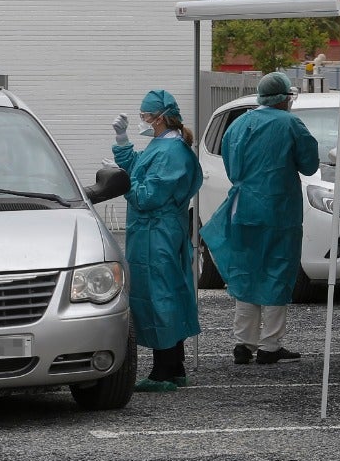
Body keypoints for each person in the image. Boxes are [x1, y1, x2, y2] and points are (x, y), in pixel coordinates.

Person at [200, 71, 320, 364]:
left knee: (246, 273)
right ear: (283, 99)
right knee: (278, 273)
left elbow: (231, 168)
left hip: (243, 208)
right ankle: (270, 346)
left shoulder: (238, 124)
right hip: (279, 210)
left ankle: (243, 343)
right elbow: (309, 164)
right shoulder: (291, 124)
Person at [112, 89, 202, 391]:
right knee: (168, 295)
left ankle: (162, 372)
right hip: (157, 232)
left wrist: (123, 181)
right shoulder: (164, 145)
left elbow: (147, 195)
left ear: (161, 118)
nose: (143, 121)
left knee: (159, 297)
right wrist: (122, 143)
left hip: (156, 234)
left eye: (145, 116)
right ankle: (174, 367)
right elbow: (140, 166)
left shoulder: (172, 152)